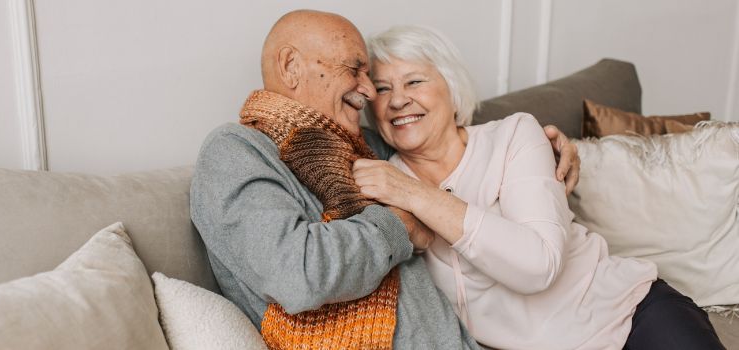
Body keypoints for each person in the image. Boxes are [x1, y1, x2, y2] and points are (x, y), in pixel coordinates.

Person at [191, 10, 579, 349]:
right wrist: (401, 225)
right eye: (356, 71)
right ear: (291, 66)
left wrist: (552, 147)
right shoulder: (235, 152)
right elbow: (298, 274)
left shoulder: (364, 144)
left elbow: (445, 137)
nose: (367, 91)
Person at [352, 25, 725, 349]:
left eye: (414, 81)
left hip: (629, 314)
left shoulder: (514, 135)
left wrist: (415, 194)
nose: (397, 100)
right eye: (382, 89)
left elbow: (537, 266)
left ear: (451, 87)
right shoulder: (382, 177)